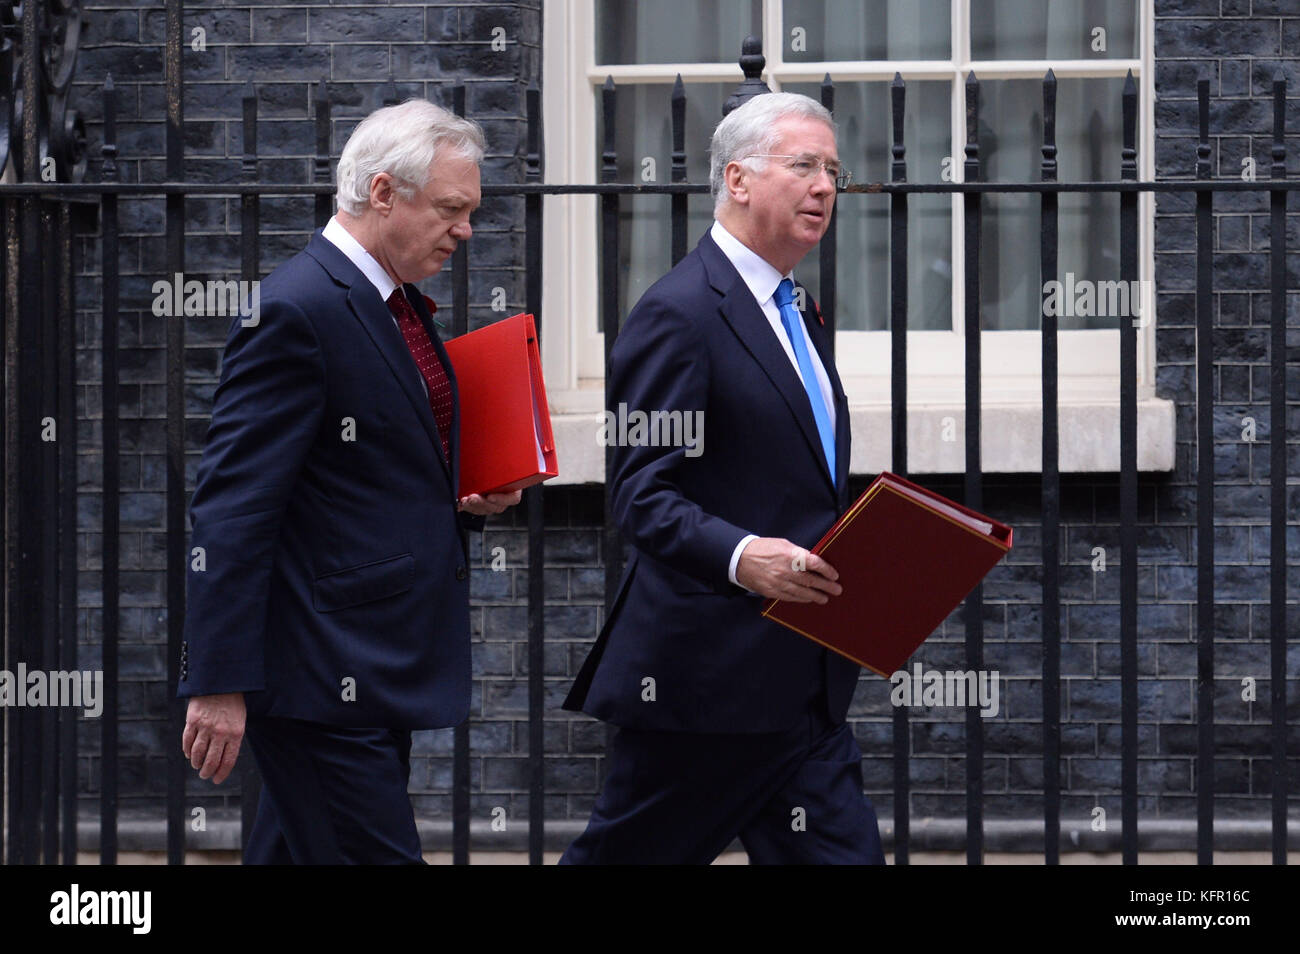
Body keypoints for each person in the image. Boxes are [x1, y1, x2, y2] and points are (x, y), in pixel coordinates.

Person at [177, 99, 520, 864]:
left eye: (470, 211)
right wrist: (219, 680)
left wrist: (465, 500)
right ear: (384, 194)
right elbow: (232, 508)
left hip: (369, 664)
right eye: (452, 209)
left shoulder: (388, 302)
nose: (466, 230)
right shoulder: (298, 310)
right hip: (319, 678)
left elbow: (367, 474)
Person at [561, 92, 886, 864]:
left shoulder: (797, 308)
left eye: (833, 170)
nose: (825, 187)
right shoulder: (678, 312)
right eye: (804, 165)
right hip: (703, 692)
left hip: (802, 686)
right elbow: (640, 495)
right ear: (737, 180)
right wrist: (747, 557)